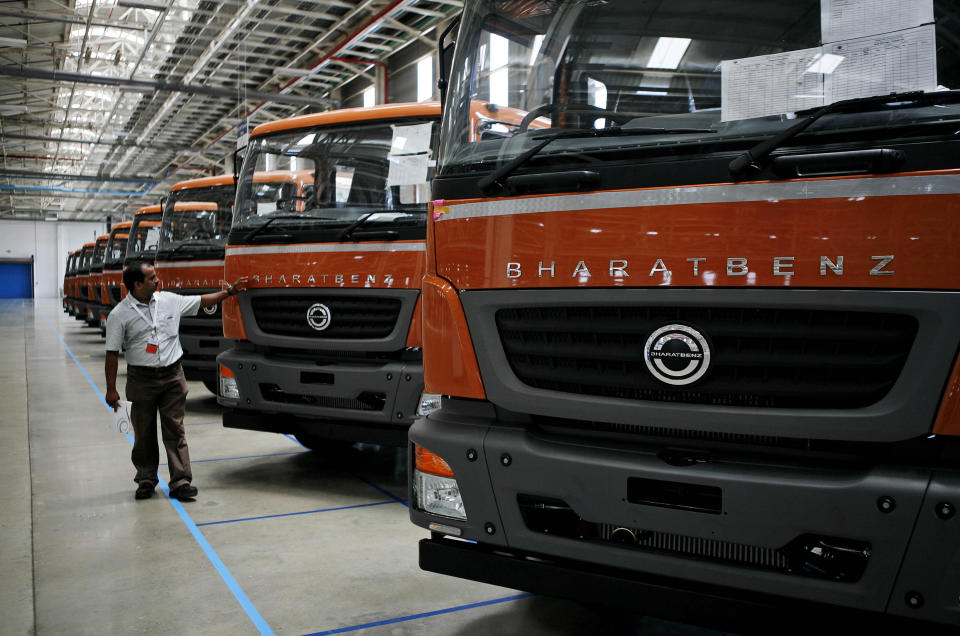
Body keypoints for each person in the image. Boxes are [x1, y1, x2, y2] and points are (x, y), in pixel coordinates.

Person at [104, 261, 248, 501]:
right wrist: (111, 390)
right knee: (144, 432)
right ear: (137, 284)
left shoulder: (169, 300)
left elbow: (203, 301)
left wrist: (229, 292)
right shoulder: (119, 315)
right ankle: (146, 479)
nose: (157, 281)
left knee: (175, 430)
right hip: (141, 379)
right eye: (151, 278)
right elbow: (111, 353)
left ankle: (180, 481)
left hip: (172, 375)